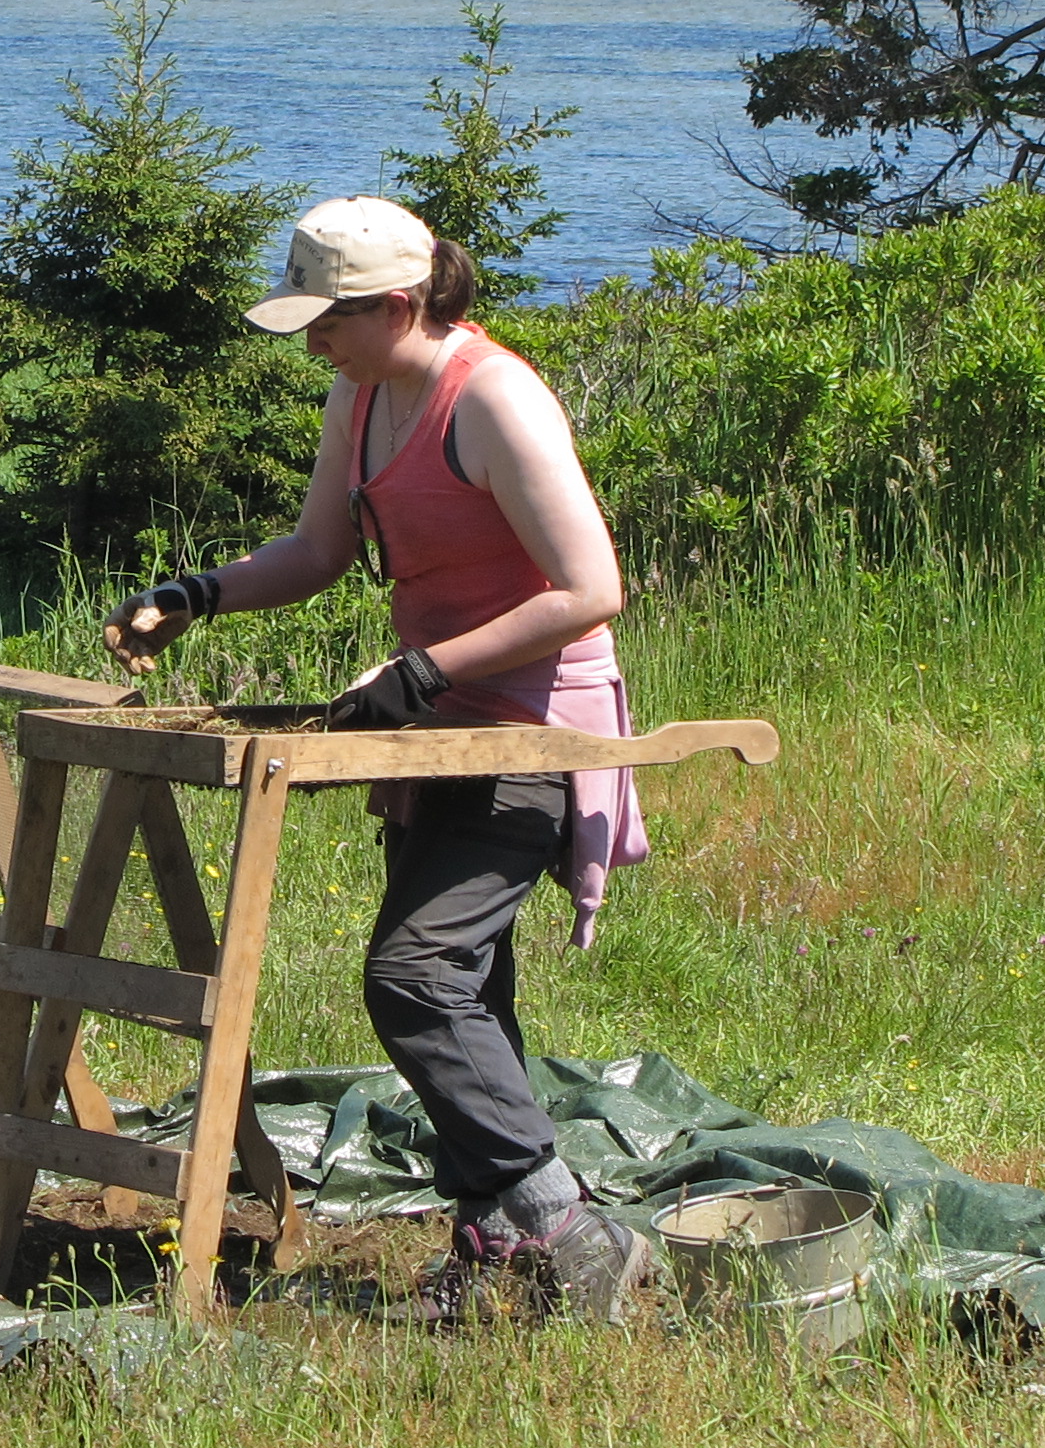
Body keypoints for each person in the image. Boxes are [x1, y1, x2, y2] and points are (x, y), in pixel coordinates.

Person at [102, 194, 658, 1325]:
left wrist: (422, 670)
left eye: (328, 318)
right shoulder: (359, 395)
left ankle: (574, 1233)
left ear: (400, 304)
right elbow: (317, 551)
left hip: (533, 727)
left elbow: (591, 590)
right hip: (442, 716)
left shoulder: (495, 398)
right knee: (471, 991)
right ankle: (494, 1248)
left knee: (415, 979)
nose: (312, 340)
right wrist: (196, 596)